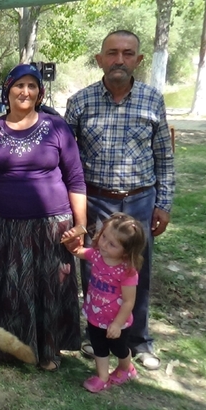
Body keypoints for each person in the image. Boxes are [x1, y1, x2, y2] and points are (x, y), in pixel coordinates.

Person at [64, 30, 175, 371]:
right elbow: (66, 159)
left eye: (128, 54)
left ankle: (138, 339)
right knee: (95, 270)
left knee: (134, 272)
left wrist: (164, 203)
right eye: (112, 53)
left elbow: (163, 156)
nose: (119, 60)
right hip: (97, 201)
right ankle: (95, 332)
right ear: (100, 59)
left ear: (138, 60)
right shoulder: (80, 102)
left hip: (140, 202)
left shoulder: (152, 100)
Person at [0, 64, 86, 371]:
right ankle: (5, 348)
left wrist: (80, 225)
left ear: (40, 92)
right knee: (4, 286)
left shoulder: (57, 128)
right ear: (7, 90)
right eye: (19, 85)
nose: (26, 91)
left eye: (32, 86)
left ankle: (47, 350)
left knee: (48, 287)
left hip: (50, 226)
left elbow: (75, 179)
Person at [62, 213, 146, 393]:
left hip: (118, 322)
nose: (104, 244)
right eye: (104, 237)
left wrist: (117, 324)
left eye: (112, 244)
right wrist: (72, 245)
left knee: (120, 349)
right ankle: (102, 378)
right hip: (95, 315)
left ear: (126, 251)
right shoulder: (97, 255)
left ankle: (126, 368)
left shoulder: (128, 272)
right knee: (99, 347)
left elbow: (129, 302)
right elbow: (78, 252)